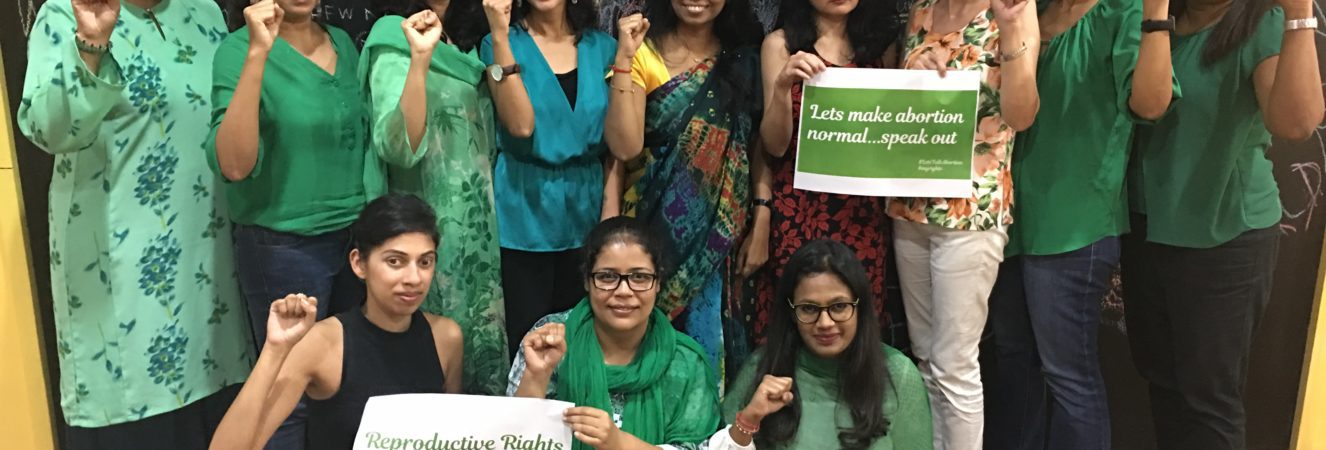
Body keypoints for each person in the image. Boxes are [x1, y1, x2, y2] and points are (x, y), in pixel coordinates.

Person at [17, 0, 252, 446]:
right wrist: (91, 45)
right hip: (121, 284)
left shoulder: (203, 11)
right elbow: (48, 131)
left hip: (209, 281)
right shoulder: (64, 14)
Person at [1123, 0, 1323, 447]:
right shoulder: (1154, 18)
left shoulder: (1262, 24)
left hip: (1225, 235)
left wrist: (1300, 16)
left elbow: (1296, 123)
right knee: (1162, 384)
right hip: (1148, 227)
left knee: (1208, 400)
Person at [984, 0, 1176, 447]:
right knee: (1014, 361)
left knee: (1067, 375)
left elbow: (1151, 104)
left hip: (1075, 225)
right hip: (1008, 219)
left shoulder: (1124, 11)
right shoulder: (1027, 10)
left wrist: (1157, 15)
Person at [207, 0, 382, 445]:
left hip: (355, 240)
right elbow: (234, 164)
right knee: (286, 396)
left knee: (351, 381)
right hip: (284, 245)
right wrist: (257, 54)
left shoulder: (341, 42)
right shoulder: (238, 50)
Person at [891, 0, 1039, 446]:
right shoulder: (921, 9)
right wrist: (912, 72)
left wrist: (1010, 32)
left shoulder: (1013, 9)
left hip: (971, 211)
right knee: (925, 358)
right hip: (910, 205)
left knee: (954, 364)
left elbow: (1022, 115)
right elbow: (899, 107)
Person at [209, 194, 464, 450]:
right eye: (395, 261)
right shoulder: (323, 344)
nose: (414, 278)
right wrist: (275, 349)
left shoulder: (446, 338)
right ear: (359, 263)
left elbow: (453, 437)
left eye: (425, 262)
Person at [601, 0, 766, 370]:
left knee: (710, 344)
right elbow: (624, 147)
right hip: (648, 227)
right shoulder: (643, 52)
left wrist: (762, 218)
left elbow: (756, 148)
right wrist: (625, 59)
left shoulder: (745, 59)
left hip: (719, 236)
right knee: (643, 343)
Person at [359, 0, 509, 395]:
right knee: (428, 364)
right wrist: (420, 60)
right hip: (427, 229)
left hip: (478, 231)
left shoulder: (469, 40)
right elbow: (398, 147)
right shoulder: (395, 34)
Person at [742, 0, 900, 368]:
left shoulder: (882, 46)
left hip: (861, 215)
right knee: (796, 322)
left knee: (855, 325)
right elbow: (774, 146)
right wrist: (783, 86)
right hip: (798, 213)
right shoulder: (781, 45)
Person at [508, 217, 721, 450]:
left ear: (658, 283)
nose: (623, 291)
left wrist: (620, 444)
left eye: (639, 277)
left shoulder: (685, 362)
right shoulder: (552, 339)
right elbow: (511, 439)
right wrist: (536, 376)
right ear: (587, 281)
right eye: (607, 277)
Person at [482, 0, 618, 359]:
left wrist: (610, 210)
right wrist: (500, 37)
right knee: (528, 342)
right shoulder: (499, 42)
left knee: (582, 339)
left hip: (587, 209)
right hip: (524, 211)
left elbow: (616, 143)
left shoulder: (603, 47)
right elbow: (520, 126)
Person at [723, 239, 933, 449]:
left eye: (839, 306)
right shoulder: (762, 368)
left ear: (859, 307)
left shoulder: (898, 375)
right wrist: (748, 421)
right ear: (792, 313)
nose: (825, 323)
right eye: (809, 309)